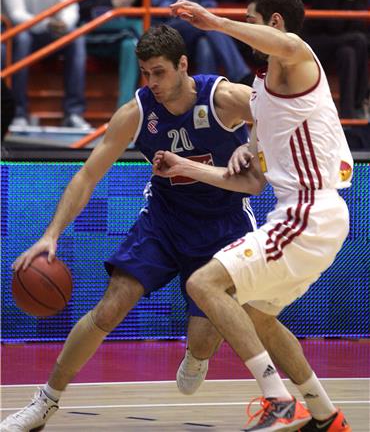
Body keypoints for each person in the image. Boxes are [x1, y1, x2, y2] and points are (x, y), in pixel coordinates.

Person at [0, 24, 258, 431]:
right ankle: (44, 403)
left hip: (223, 227)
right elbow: (86, 176)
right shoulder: (137, 112)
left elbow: (280, 115)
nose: (151, 82)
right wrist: (50, 236)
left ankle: (197, 354)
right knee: (111, 306)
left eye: (159, 72)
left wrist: (252, 145)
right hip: (164, 221)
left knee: (204, 339)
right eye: (145, 73)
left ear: (183, 65)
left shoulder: (223, 98)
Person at [153, 0, 353, 431]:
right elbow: (247, 181)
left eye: (251, 19)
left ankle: (279, 403)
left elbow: (287, 44)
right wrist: (185, 166)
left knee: (204, 285)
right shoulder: (261, 93)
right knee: (258, 316)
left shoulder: (298, 60)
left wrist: (215, 21)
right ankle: (325, 415)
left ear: (275, 22)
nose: (244, 29)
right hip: (300, 214)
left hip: (309, 211)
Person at [1, 0, 89, 130]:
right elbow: (16, 14)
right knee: (22, 38)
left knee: (77, 37)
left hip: (52, 32)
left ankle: (74, 113)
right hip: (15, 32)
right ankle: (18, 113)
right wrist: (48, 23)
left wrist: (65, 24)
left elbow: (71, 9)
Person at [302, 0, 369, 119]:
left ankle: (348, 112)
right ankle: (359, 102)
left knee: (348, 52)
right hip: (317, 43)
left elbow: (361, 29)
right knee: (357, 40)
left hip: (344, 46)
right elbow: (333, 28)